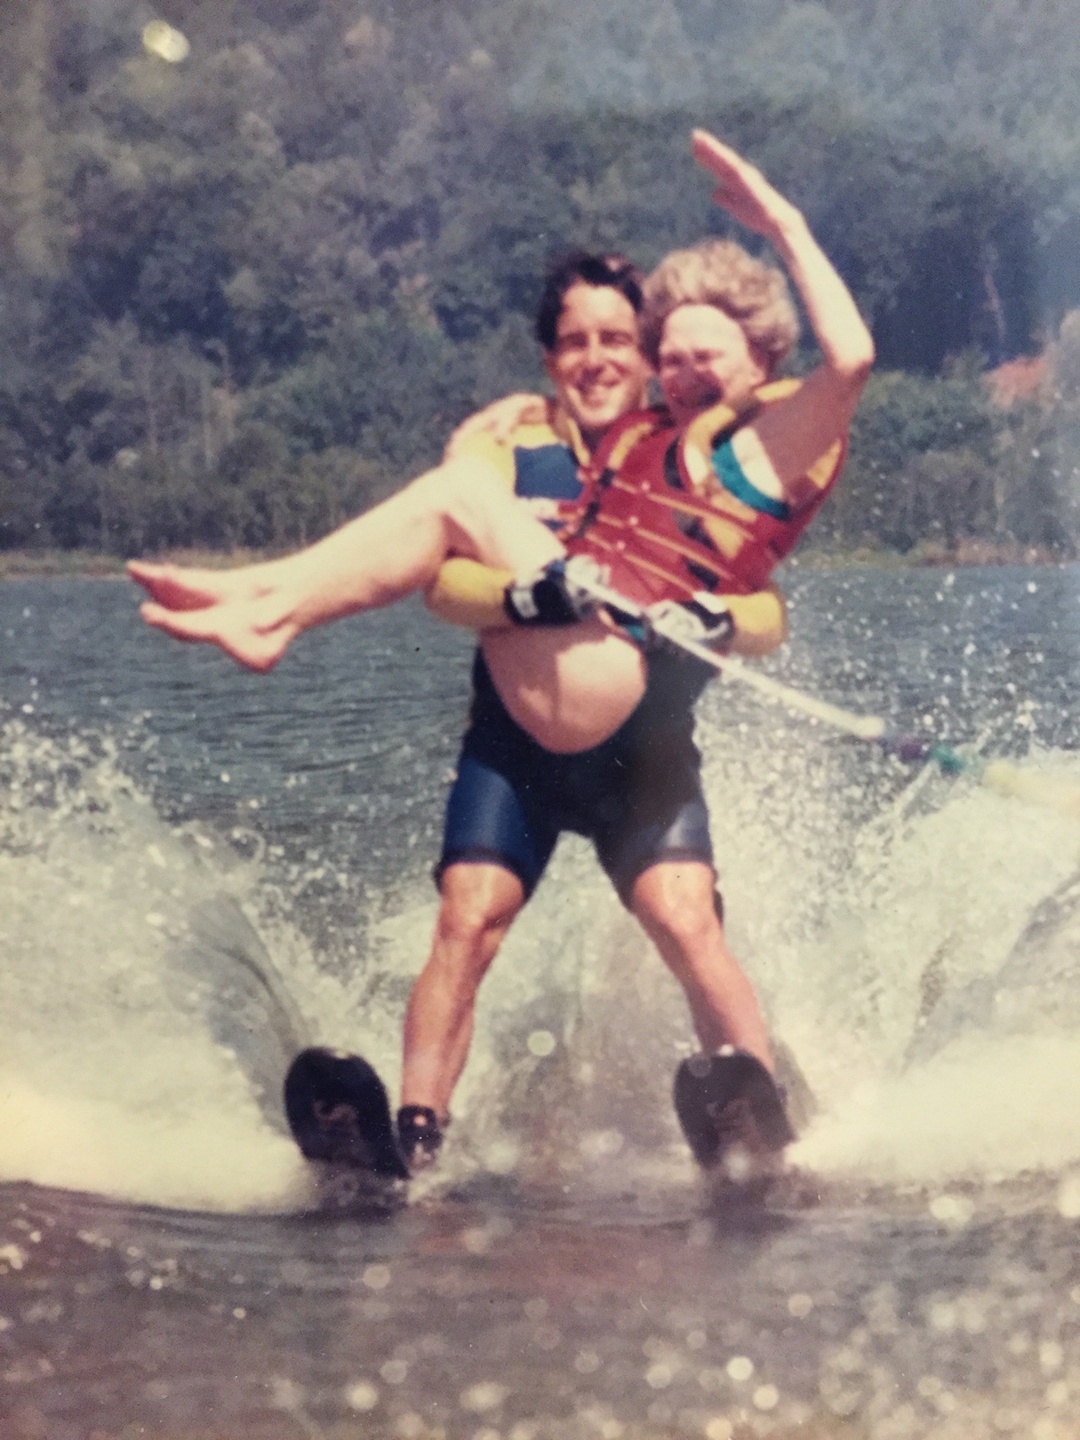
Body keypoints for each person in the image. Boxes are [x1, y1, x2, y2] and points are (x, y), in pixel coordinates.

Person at [130, 130, 873, 1168]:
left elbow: (835, 404)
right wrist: (527, 589)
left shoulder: (776, 438)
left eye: (691, 352)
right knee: (467, 917)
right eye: (664, 352)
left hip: (632, 721)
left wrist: (782, 220)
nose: (670, 368)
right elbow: (438, 577)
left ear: (759, 360)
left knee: (688, 923)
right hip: (525, 725)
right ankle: (416, 1136)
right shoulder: (569, 440)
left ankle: (758, 1112)